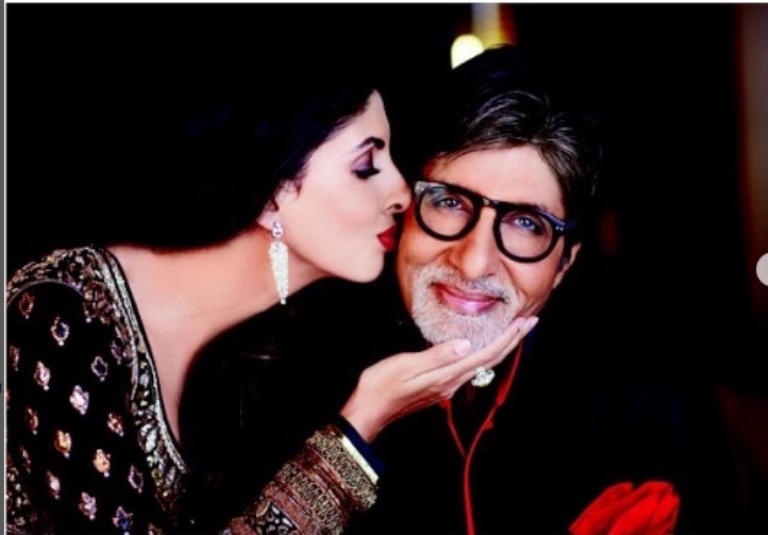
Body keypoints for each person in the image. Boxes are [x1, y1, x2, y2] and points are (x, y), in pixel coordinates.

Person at [5, 39, 537, 534]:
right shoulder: (57, 316)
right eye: (366, 166)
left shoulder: (267, 349)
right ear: (273, 188)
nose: (401, 193)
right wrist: (361, 423)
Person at [304, 44, 742, 534]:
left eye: (526, 224)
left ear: (564, 262)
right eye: (449, 202)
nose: (474, 262)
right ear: (403, 207)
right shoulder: (299, 367)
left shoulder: (649, 405)